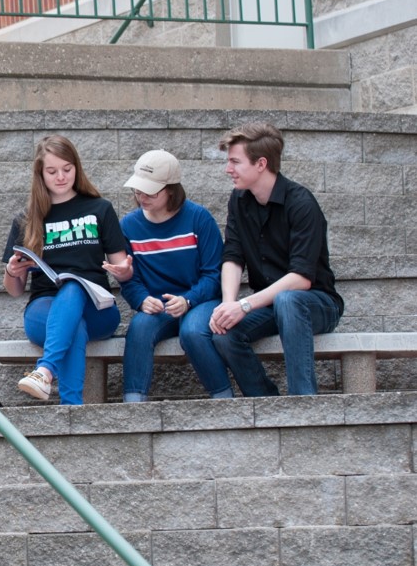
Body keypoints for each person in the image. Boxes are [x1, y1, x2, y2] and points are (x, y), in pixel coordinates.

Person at [208, 122, 343, 396]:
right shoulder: (238, 200)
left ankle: (302, 402)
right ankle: (266, 402)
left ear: (261, 164)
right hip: (270, 304)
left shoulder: (301, 203)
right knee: (224, 332)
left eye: (235, 161)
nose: (228, 169)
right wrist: (229, 305)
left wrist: (244, 305)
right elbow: (232, 256)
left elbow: (301, 279)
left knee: (288, 300)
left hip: (316, 303)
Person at [2, 135, 132, 404]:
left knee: (74, 286)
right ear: (40, 173)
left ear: (77, 168)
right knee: (74, 325)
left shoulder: (100, 209)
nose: (60, 177)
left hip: (98, 309)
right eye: (52, 171)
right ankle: (71, 407)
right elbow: (14, 291)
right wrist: (12, 273)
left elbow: (122, 268)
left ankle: (45, 370)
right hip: (44, 310)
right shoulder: (27, 219)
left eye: (67, 169)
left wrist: (123, 273)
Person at [116, 149, 227, 402]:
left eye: (150, 191)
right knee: (139, 327)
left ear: (171, 190)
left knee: (193, 332)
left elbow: (214, 274)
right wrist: (142, 300)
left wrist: (188, 300)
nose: (141, 196)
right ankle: (132, 407)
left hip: (200, 301)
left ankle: (224, 400)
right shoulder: (129, 226)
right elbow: (129, 278)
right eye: (137, 190)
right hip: (158, 306)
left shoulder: (199, 218)